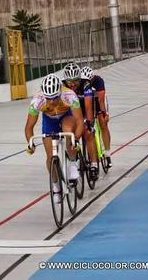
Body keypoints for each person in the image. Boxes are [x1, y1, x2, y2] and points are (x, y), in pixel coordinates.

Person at [25, 74, 84, 203]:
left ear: (60, 92)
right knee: (50, 156)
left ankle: (73, 164)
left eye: (55, 97)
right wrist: (31, 143)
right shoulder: (37, 101)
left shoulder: (69, 95)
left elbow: (79, 121)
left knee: (68, 132)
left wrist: (76, 139)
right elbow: (29, 127)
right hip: (49, 121)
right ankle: (56, 187)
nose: (51, 101)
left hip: (66, 116)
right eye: (48, 98)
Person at [62, 63, 99, 179]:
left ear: (80, 78)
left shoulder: (86, 83)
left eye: (76, 81)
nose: (73, 84)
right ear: (65, 80)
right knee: (70, 134)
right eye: (70, 81)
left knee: (88, 133)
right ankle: (74, 162)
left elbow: (88, 106)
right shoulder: (62, 85)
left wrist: (89, 123)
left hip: (84, 109)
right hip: (72, 112)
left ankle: (93, 164)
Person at [80, 66, 112, 168]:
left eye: (90, 80)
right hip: (87, 101)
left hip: (98, 102)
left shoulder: (98, 81)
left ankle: (107, 153)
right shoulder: (81, 83)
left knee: (103, 124)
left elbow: (101, 100)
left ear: (93, 78)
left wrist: (104, 113)